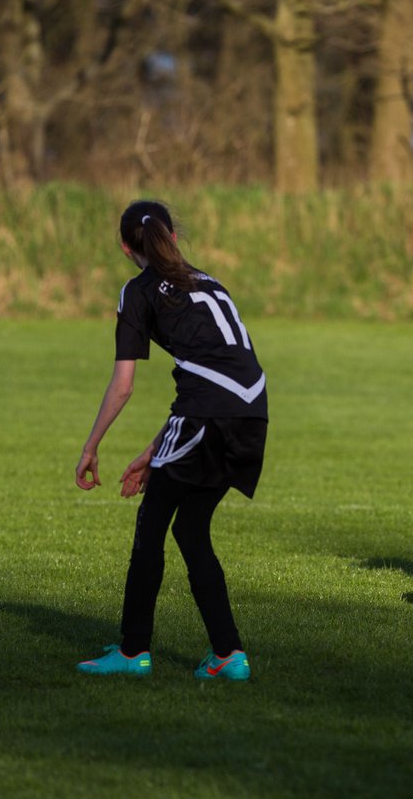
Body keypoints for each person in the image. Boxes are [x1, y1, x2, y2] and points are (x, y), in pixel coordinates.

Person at [74, 200, 267, 679]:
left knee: (153, 524)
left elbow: (123, 386)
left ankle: (133, 651)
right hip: (253, 413)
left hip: (206, 414)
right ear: (173, 237)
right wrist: (153, 451)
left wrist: (90, 446)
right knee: (191, 527)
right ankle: (229, 656)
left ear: (125, 247)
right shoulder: (209, 281)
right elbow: (216, 375)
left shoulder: (138, 292)